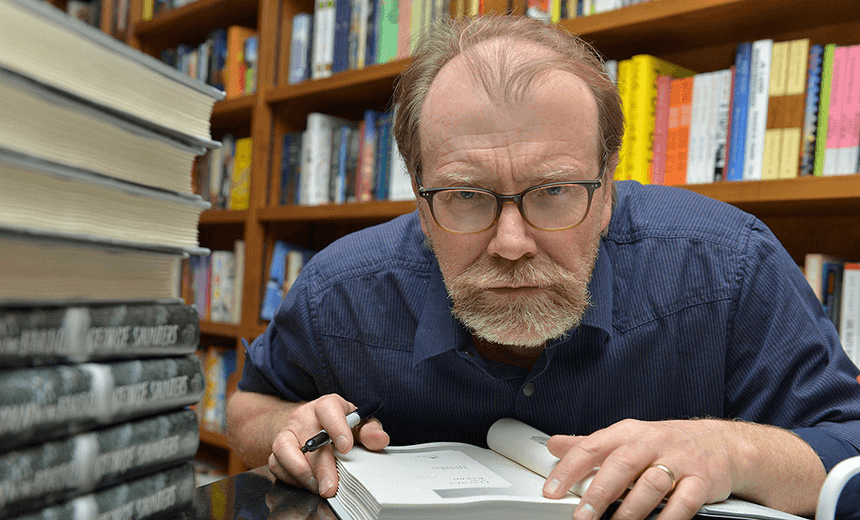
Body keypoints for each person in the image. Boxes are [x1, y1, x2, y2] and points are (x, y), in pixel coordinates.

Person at [226, 15, 860, 520]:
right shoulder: (343, 287)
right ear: (420, 204)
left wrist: (734, 449)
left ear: (607, 194)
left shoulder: (729, 264)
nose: (511, 242)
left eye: (554, 191)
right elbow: (248, 409)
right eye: (466, 196)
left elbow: (848, 443)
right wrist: (288, 427)